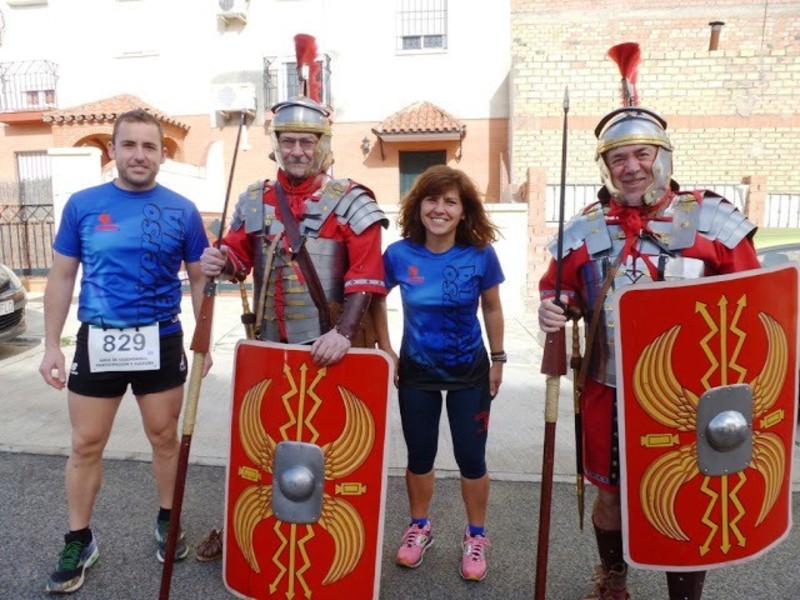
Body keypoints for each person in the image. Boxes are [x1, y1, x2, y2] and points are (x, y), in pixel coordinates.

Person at [538, 107, 760, 600]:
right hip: (608, 388)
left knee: (687, 494)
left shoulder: (712, 221)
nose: (631, 167)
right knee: (611, 496)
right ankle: (613, 580)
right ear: (605, 167)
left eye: (642, 154)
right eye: (618, 158)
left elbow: (753, 306)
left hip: (690, 397)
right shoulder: (586, 229)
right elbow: (561, 290)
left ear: (663, 156)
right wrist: (555, 308)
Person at [194, 94, 388, 561]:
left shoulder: (352, 201)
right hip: (267, 346)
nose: (297, 150)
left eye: (306, 141)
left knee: (329, 448)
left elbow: (366, 276)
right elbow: (239, 258)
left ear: (323, 144)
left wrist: (343, 333)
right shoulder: (255, 199)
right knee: (262, 441)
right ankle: (253, 531)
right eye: (288, 141)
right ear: (276, 144)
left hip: (329, 345)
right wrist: (221, 260)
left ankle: (320, 546)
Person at [38, 108, 211, 594]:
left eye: (149, 146)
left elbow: (200, 279)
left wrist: (202, 342)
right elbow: (61, 277)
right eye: (129, 145)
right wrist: (51, 345)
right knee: (85, 443)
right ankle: (79, 539)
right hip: (99, 338)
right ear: (112, 150)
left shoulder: (183, 210)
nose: (139, 155)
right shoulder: (83, 205)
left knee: (164, 437)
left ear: (162, 155)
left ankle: (168, 519)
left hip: (160, 338)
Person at [371, 165, 506, 582]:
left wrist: (499, 358)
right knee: (419, 455)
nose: (440, 209)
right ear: (419, 205)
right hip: (417, 373)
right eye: (432, 199)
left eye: (450, 201)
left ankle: (476, 535)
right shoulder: (399, 255)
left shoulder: (480, 254)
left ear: (464, 211)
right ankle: (419, 528)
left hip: (470, 373)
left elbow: (492, 308)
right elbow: (375, 299)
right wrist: (386, 348)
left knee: (471, 458)